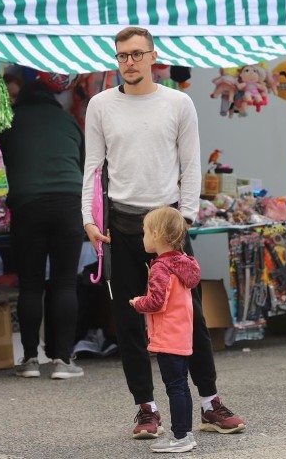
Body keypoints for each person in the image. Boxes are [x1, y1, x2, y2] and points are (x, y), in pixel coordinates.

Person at [81, 27, 245, 439]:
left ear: (154, 56)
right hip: (121, 223)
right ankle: (146, 409)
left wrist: (185, 217)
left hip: (169, 223)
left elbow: (191, 165)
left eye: (137, 54)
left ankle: (209, 401)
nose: (130, 62)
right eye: (122, 55)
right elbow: (92, 169)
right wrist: (88, 220)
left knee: (191, 317)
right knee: (129, 318)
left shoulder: (178, 102)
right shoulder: (100, 105)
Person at [0, 79, 85, 380]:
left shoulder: (11, 121)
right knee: (65, 282)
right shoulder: (67, 120)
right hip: (69, 204)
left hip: (27, 206)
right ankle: (62, 360)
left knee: (31, 284)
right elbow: (85, 165)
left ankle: (31, 359)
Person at [130, 207, 201, 453]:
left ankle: (180, 436)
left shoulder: (161, 267)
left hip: (167, 336)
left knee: (175, 386)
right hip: (182, 334)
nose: (143, 238)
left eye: (145, 233)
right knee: (181, 385)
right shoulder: (184, 264)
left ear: (158, 234)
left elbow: (156, 302)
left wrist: (138, 302)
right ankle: (186, 434)